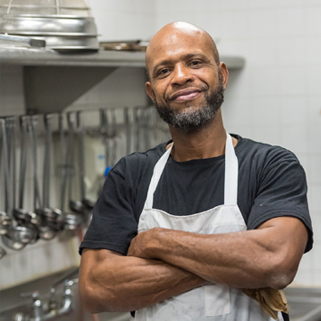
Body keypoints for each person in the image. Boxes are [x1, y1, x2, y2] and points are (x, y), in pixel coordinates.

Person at [78, 21, 313, 321]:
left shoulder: (270, 165)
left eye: (195, 63)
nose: (180, 77)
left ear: (222, 75)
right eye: (164, 71)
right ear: (152, 92)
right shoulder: (132, 175)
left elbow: (275, 261)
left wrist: (155, 242)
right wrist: (236, 266)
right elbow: (96, 288)